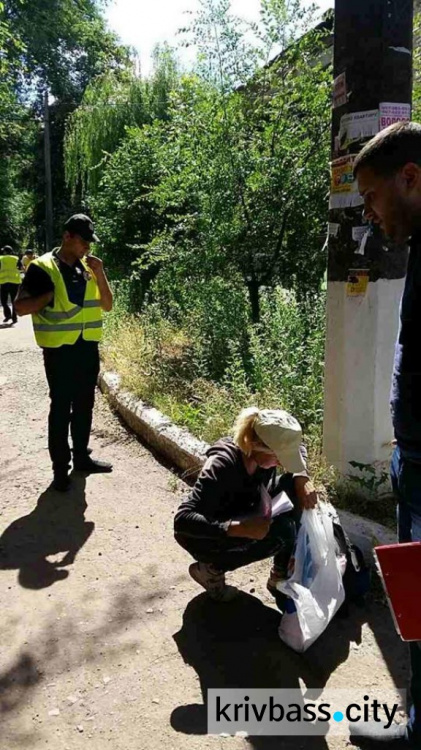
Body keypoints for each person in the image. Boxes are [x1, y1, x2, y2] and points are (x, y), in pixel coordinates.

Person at [350, 121, 421, 747]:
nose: (369, 213)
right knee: (418, 599)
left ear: (411, 177)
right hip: (416, 457)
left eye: (372, 196)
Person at [174, 406, 317, 603]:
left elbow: (299, 449)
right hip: (209, 533)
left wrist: (302, 477)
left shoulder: (260, 455)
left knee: (291, 485)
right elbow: (182, 521)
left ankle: (279, 576)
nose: (282, 464)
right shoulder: (222, 466)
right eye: (278, 458)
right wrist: (237, 528)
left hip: (247, 505)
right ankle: (211, 569)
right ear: (255, 445)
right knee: (283, 531)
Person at [15, 214, 113, 492]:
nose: (88, 248)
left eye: (90, 243)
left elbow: (106, 305)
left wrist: (101, 273)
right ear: (68, 236)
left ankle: (81, 457)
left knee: (85, 405)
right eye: (84, 241)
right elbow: (20, 307)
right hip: (59, 351)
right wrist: (44, 299)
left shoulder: (88, 268)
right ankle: (61, 470)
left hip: (86, 347)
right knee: (61, 408)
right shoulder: (42, 267)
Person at [0, 245, 21, 324]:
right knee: (13, 301)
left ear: (5, 252)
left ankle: (8, 315)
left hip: (4, 282)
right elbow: (20, 268)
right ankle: (14, 318)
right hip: (14, 282)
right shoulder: (16, 258)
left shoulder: (1, 259)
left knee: (4, 301)